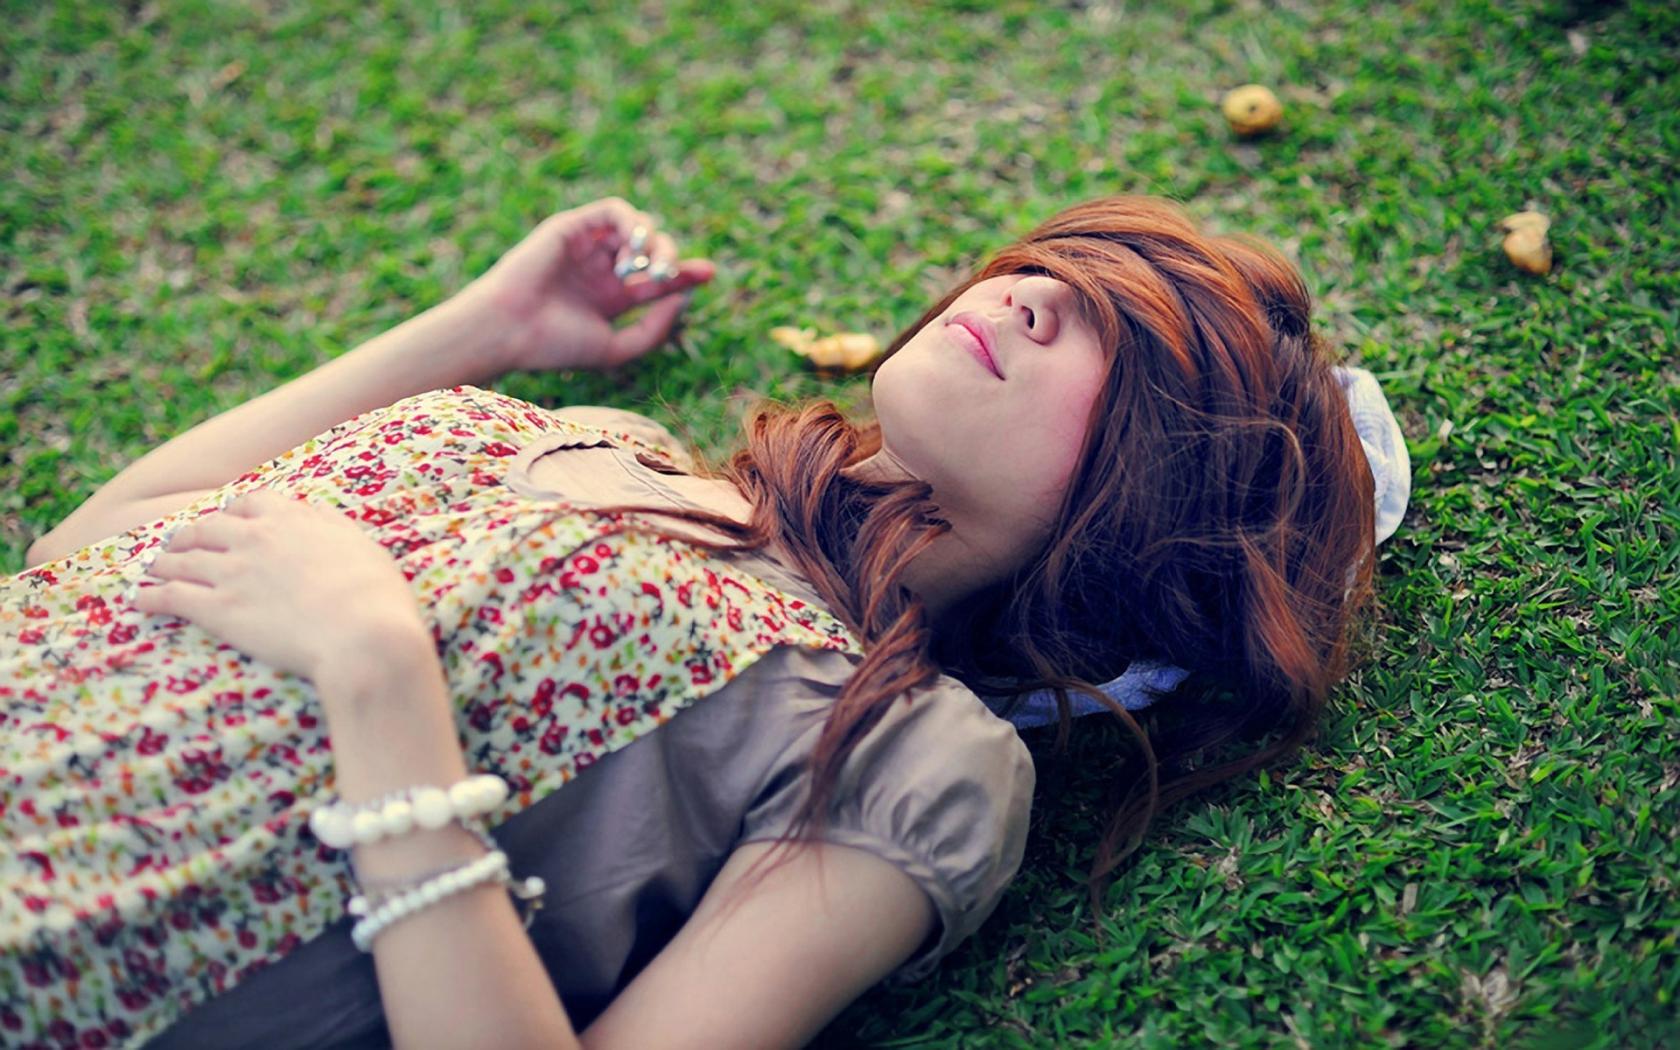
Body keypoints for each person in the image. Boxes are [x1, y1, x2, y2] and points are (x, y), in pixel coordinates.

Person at [3, 193, 1387, 1048]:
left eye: (1120, 345)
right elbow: (84, 557)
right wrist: (489, 325)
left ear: (1147, 523)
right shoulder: (607, 442)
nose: (1041, 291)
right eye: (1074, 272)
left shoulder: (915, 757)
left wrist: (378, 673)